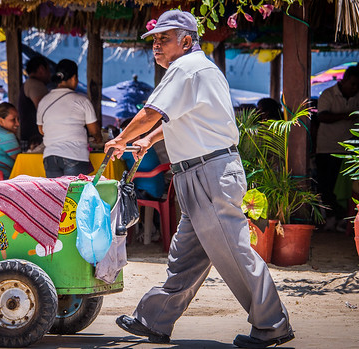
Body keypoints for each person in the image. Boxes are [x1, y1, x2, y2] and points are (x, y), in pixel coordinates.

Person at [104, 10, 293, 348]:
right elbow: (184, 117)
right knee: (186, 257)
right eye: (154, 41)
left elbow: (152, 112)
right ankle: (155, 320)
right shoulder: (198, 69)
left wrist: (121, 139)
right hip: (201, 173)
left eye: (164, 39)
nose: (156, 47)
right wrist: (149, 139)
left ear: (187, 41)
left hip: (209, 173)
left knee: (235, 253)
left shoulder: (185, 68)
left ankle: (272, 325)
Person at [315, 66, 359, 230]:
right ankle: (331, 218)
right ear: (344, 80)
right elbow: (322, 116)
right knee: (327, 187)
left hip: (349, 151)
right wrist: (347, 115)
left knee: (345, 189)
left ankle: (342, 219)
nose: (355, 88)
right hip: (327, 148)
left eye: (358, 85)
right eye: (352, 84)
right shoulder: (328, 94)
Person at [37, 59, 102, 178]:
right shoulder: (82, 101)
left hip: (50, 157)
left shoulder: (43, 101)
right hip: (75, 155)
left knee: (55, 195)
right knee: (75, 195)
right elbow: (94, 131)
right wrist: (98, 139)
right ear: (74, 78)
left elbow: (41, 130)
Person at [18, 56, 51, 149]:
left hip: (30, 138)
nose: (50, 74)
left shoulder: (29, 83)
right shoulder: (35, 84)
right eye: (48, 70)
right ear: (41, 69)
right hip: (35, 140)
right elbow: (44, 109)